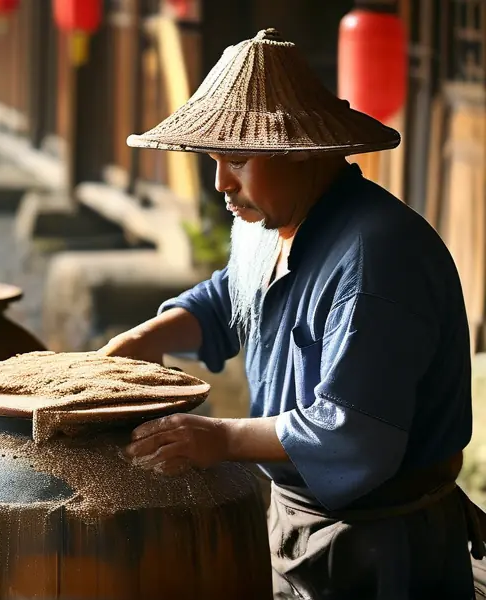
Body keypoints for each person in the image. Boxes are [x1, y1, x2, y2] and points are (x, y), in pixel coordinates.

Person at [100, 27, 486, 599]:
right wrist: (151, 335)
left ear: (302, 150)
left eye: (238, 160)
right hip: (295, 515)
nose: (220, 184)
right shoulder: (269, 222)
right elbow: (230, 296)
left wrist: (223, 438)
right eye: (213, 159)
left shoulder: (376, 259)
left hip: (383, 541)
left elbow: (353, 432)